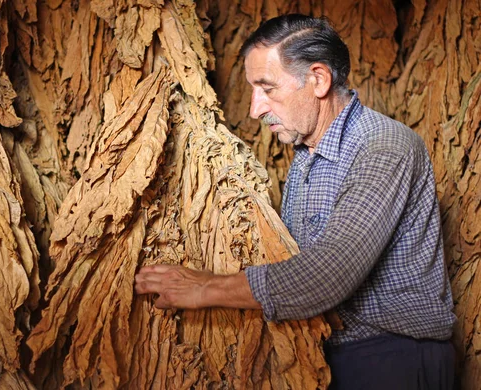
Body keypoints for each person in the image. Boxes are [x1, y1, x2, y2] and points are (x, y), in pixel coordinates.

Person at [134, 14, 456, 389]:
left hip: (392, 361)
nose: (256, 109)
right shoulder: (305, 152)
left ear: (318, 80)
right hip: (330, 359)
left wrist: (204, 288)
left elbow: (326, 276)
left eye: (267, 88)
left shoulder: (384, 147)